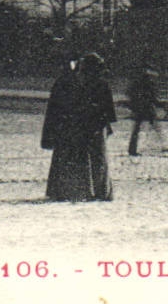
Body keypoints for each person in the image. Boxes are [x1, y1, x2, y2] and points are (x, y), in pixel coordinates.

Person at [41, 52, 116, 200]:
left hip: (70, 127)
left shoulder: (64, 83)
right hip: (93, 128)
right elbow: (108, 112)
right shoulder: (100, 84)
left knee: (68, 159)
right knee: (96, 160)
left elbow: (54, 110)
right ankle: (98, 190)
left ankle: (65, 190)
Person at [126, 66, 162, 157]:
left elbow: (130, 93)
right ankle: (158, 144)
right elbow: (154, 96)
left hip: (139, 107)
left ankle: (133, 148)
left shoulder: (137, 82)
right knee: (154, 126)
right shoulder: (149, 83)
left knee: (137, 129)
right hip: (147, 107)